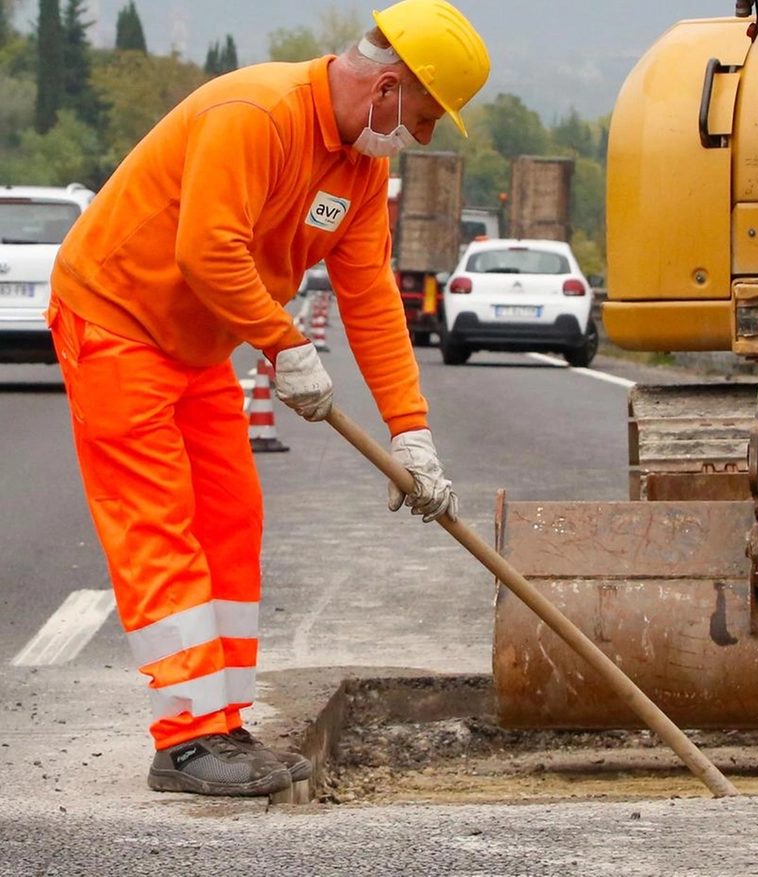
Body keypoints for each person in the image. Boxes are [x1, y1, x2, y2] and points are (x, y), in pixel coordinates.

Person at [46, 0, 489, 797]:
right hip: (116, 320)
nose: (420, 137)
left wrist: (411, 435)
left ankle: (222, 724)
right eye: (423, 117)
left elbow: (372, 299)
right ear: (387, 86)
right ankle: (186, 743)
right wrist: (287, 344)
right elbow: (205, 250)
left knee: (232, 514)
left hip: (197, 343)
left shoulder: (360, 168)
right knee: (160, 524)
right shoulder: (256, 113)